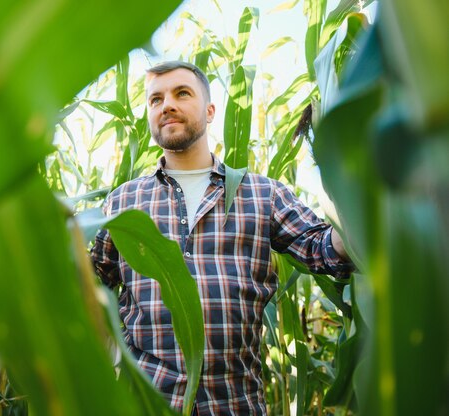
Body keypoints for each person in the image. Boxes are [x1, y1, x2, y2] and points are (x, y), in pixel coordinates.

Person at [91, 61, 354, 415]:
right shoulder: (123, 202)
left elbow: (324, 251)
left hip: (233, 403)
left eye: (182, 93)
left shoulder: (263, 195)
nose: (167, 104)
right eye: (155, 100)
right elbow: (91, 283)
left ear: (210, 110)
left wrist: (358, 203)